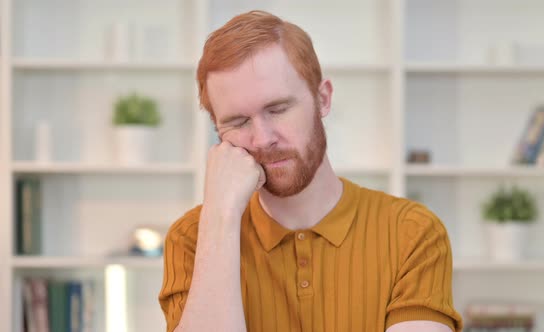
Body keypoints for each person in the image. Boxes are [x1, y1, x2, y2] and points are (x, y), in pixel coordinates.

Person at [158, 10, 463, 332]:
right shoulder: (192, 238)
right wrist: (220, 216)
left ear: (323, 98)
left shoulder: (411, 232)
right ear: (218, 133)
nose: (263, 139)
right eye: (238, 122)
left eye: (277, 109)